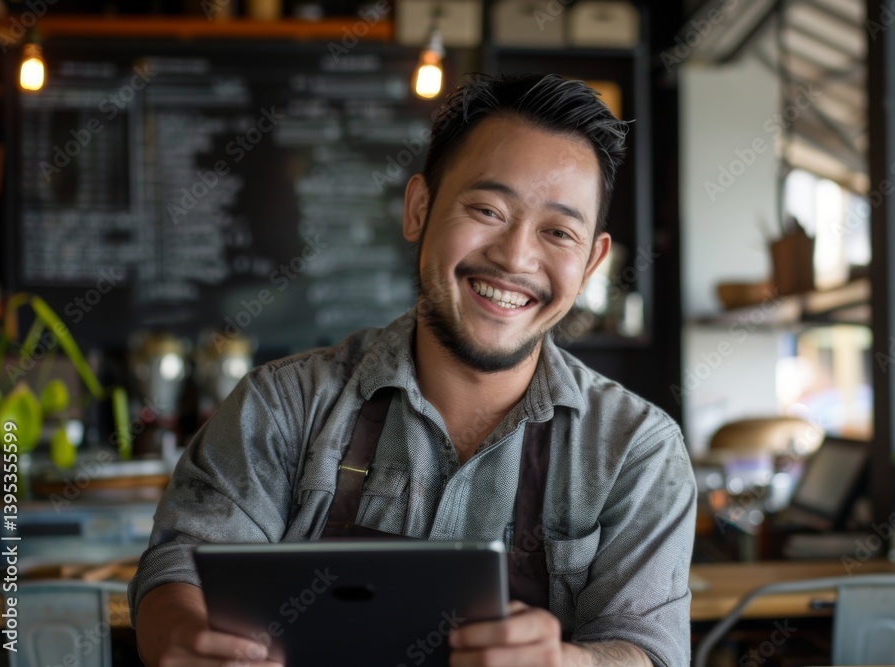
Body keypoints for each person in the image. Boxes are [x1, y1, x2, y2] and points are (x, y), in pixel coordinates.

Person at [130, 72, 696, 667]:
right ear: (419, 209)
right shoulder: (283, 405)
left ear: (590, 264)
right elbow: (178, 572)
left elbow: (652, 653)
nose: (515, 257)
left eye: (558, 232)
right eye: (487, 209)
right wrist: (183, 635)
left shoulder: (637, 450)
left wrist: (569, 663)